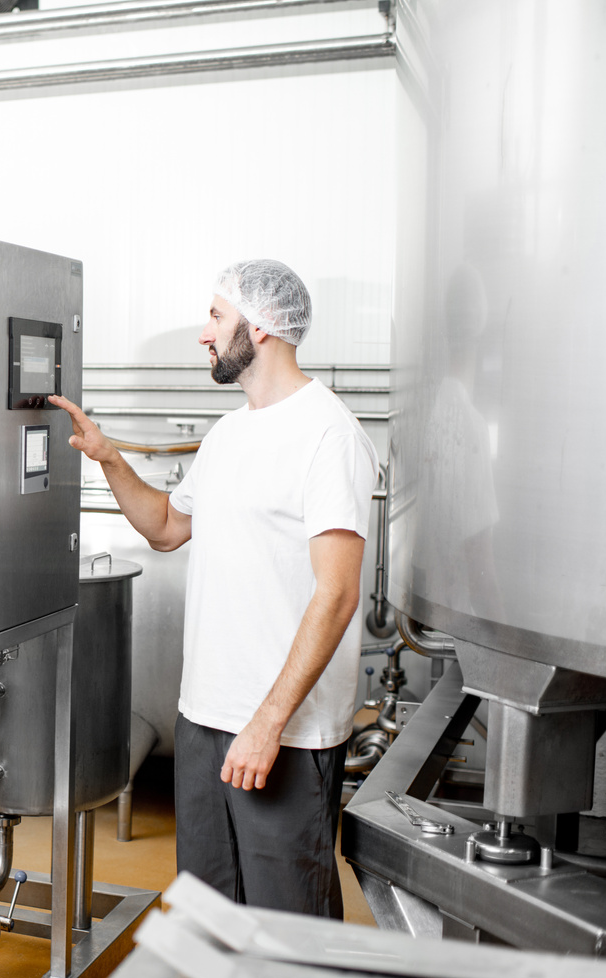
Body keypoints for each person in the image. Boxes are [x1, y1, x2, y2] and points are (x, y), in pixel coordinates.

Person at [50, 259, 377, 917]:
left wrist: (268, 722)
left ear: (260, 328)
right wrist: (110, 458)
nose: (204, 333)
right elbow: (168, 526)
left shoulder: (329, 435)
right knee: (209, 918)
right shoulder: (228, 435)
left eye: (216, 316)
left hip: (282, 733)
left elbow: (337, 593)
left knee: (286, 933)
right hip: (203, 721)